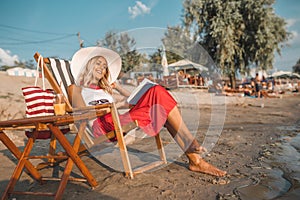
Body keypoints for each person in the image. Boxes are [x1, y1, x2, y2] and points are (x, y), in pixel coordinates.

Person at [71, 47, 226, 177]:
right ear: (89, 65)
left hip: (117, 119)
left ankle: (195, 161)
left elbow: (132, 99)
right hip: (104, 127)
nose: (102, 68)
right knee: (158, 98)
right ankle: (191, 145)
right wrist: (114, 106)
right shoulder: (76, 88)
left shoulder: (105, 91)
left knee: (158, 95)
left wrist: (117, 87)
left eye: (105, 66)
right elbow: (81, 113)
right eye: (98, 63)